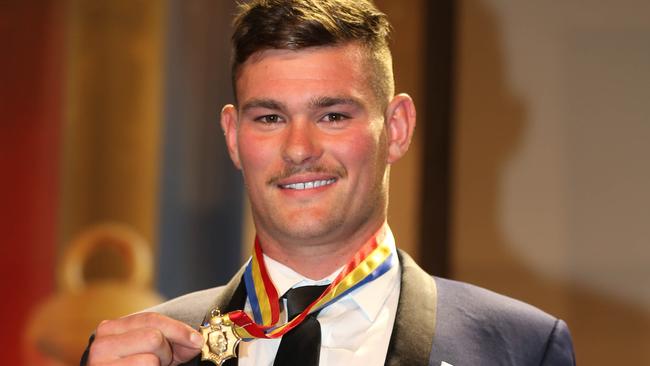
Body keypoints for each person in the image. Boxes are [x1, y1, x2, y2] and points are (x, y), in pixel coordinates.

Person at [82, 0, 576, 365]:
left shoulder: (519, 347)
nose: (299, 149)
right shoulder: (142, 349)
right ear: (233, 137)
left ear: (397, 128)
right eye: (270, 118)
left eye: (333, 115)